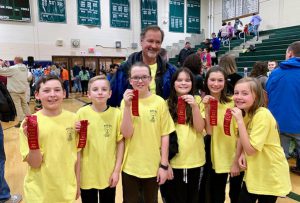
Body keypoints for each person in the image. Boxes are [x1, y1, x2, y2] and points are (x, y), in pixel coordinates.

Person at [19, 75, 80, 203]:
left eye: (57, 90)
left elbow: (77, 155)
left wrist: (78, 183)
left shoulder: (74, 120)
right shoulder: (28, 124)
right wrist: (32, 140)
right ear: (37, 95)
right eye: (46, 91)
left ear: (64, 93)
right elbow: (35, 164)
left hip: (66, 190)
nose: (52, 94)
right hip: (39, 193)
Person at [120, 62, 175, 203]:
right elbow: (126, 134)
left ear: (150, 79)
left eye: (144, 77)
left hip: (153, 167)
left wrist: (164, 165)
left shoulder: (159, 102)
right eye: (136, 77)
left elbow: (165, 135)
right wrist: (127, 107)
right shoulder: (125, 102)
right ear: (130, 80)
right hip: (130, 167)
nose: (140, 81)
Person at [232, 77, 291, 202]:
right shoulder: (247, 113)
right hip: (255, 172)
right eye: (236, 93)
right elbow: (243, 138)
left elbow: (251, 150)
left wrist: (239, 121)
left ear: (256, 96)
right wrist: (238, 157)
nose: (238, 96)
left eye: (245, 93)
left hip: (269, 174)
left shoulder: (262, 115)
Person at [76, 76, 124, 203]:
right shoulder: (81, 113)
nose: (100, 92)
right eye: (95, 89)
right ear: (89, 94)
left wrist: (116, 171)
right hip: (87, 174)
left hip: (108, 172)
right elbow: (76, 148)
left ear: (110, 94)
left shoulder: (117, 114)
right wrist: (77, 176)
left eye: (104, 89)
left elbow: (120, 143)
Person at [202, 66, 243, 203]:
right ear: (206, 81)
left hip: (235, 154)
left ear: (225, 82)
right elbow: (209, 131)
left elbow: (240, 133)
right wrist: (207, 109)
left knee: (235, 193)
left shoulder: (234, 102)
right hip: (217, 156)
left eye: (220, 80)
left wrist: (237, 158)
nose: (216, 84)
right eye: (212, 79)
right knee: (217, 194)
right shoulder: (201, 103)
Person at [164, 68, 205, 203]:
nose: (183, 83)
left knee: (193, 198)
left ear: (192, 83)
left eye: (187, 80)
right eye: (179, 80)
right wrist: (165, 163)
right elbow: (161, 136)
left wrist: (194, 107)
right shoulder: (165, 104)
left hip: (195, 161)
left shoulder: (198, 101)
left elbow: (200, 128)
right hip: (173, 163)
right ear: (173, 83)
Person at [109, 25, 176, 107]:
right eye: (150, 41)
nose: (154, 46)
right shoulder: (124, 69)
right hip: (131, 118)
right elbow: (110, 97)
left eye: (158, 42)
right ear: (141, 41)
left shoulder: (171, 71)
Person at [266, 41, 300, 175]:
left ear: (290, 54)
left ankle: (280, 185)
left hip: (279, 122)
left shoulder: (276, 73)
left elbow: (267, 94)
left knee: (279, 158)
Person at [0, 56, 30, 127]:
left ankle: (21, 121)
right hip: (23, 90)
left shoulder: (14, 68)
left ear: (16, 61)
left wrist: (0, 64)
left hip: (14, 91)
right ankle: (29, 119)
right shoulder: (25, 68)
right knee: (25, 105)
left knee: (18, 107)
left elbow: (1, 71)